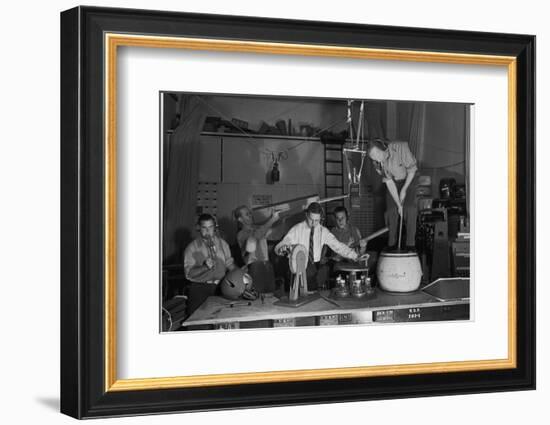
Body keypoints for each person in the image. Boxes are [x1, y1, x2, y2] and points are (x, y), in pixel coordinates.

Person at [275, 202, 367, 290]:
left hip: (313, 267)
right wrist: (282, 248)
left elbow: (339, 247)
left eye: (317, 220)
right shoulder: (297, 229)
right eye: (311, 219)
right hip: (296, 267)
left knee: (311, 295)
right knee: (295, 296)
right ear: (307, 215)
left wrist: (356, 256)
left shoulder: (323, 231)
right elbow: (282, 244)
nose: (314, 223)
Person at [367, 139, 418, 249]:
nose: (376, 159)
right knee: (391, 212)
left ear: (382, 147)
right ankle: (391, 244)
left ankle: (410, 245)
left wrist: (404, 190)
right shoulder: (378, 164)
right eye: (373, 158)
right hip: (394, 183)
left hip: (409, 179)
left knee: (409, 209)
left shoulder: (399, 147)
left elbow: (412, 170)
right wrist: (398, 204)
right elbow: (389, 183)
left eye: (377, 154)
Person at [183, 213, 235, 315]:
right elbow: (188, 274)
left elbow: (230, 265)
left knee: (221, 319)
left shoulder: (223, 244)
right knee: (198, 322)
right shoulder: (191, 248)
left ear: (215, 227)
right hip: (200, 289)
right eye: (204, 227)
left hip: (220, 287)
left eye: (210, 227)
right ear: (198, 228)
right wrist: (204, 267)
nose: (208, 231)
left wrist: (240, 273)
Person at [234, 205, 280, 292]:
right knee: (258, 297)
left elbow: (271, 232)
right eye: (247, 214)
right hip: (255, 267)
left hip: (267, 265)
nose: (251, 215)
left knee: (270, 295)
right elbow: (256, 236)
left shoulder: (258, 228)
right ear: (240, 219)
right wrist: (272, 220)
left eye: (250, 213)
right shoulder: (241, 234)